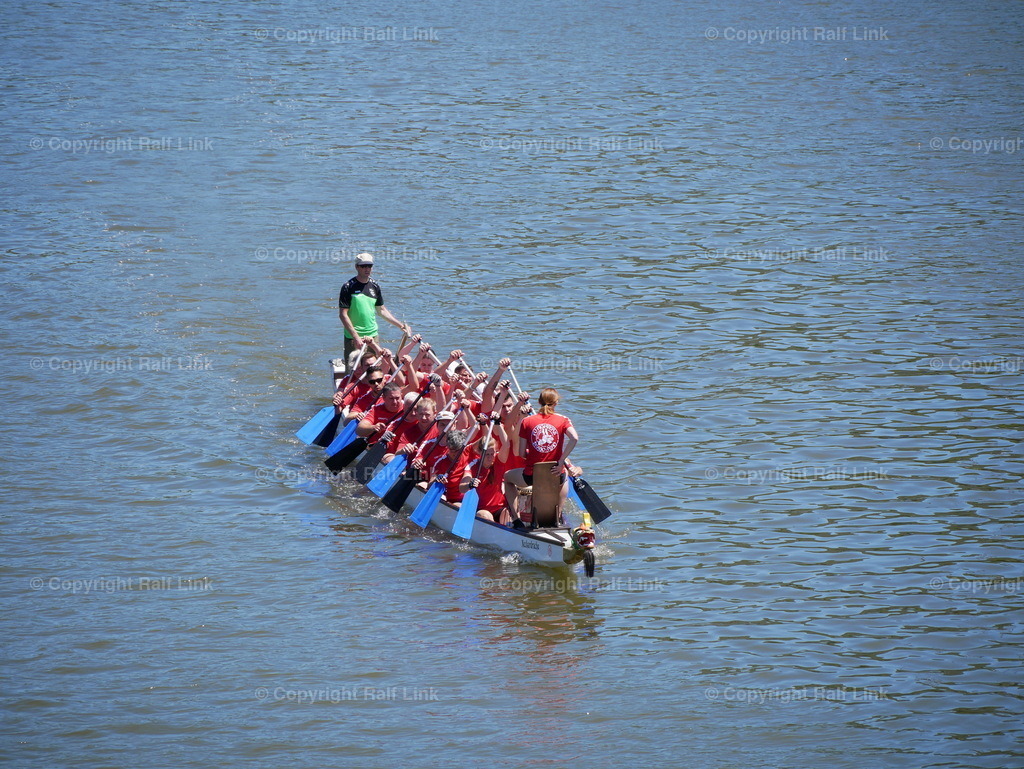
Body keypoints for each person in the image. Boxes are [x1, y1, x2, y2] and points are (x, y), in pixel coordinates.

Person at [503, 388, 578, 528]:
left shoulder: (526, 421)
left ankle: (516, 519)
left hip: (532, 475)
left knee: (507, 477)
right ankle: (557, 517)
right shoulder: (563, 419)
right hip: (556, 473)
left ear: (539, 402)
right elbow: (574, 438)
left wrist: (535, 453)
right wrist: (561, 460)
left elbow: (521, 453)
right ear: (556, 403)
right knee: (565, 476)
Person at [338, 253, 410, 363]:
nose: (367, 269)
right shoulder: (348, 287)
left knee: (375, 368)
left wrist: (401, 325)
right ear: (357, 267)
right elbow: (343, 315)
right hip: (354, 338)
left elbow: (382, 310)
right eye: (363, 266)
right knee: (354, 369)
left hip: (373, 336)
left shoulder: (374, 286)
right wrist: (356, 337)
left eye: (369, 266)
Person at [459, 414, 510, 523]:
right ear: (480, 453)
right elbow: (461, 488)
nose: (491, 457)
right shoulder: (472, 466)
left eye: (492, 454)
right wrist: (469, 484)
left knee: (509, 513)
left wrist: (498, 424)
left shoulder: (498, 462)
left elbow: (506, 445)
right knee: (485, 514)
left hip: (499, 508)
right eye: (487, 454)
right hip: (481, 510)